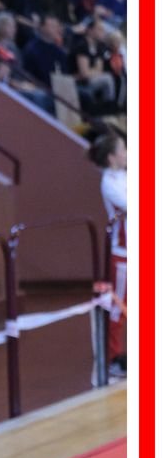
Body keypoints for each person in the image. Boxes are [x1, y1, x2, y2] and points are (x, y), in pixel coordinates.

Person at [90, 131, 127, 377]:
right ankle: (113, 357)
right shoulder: (109, 183)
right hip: (123, 254)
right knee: (118, 308)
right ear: (112, 157)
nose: (128, 154)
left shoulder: (126, 176)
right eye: (123, 150)